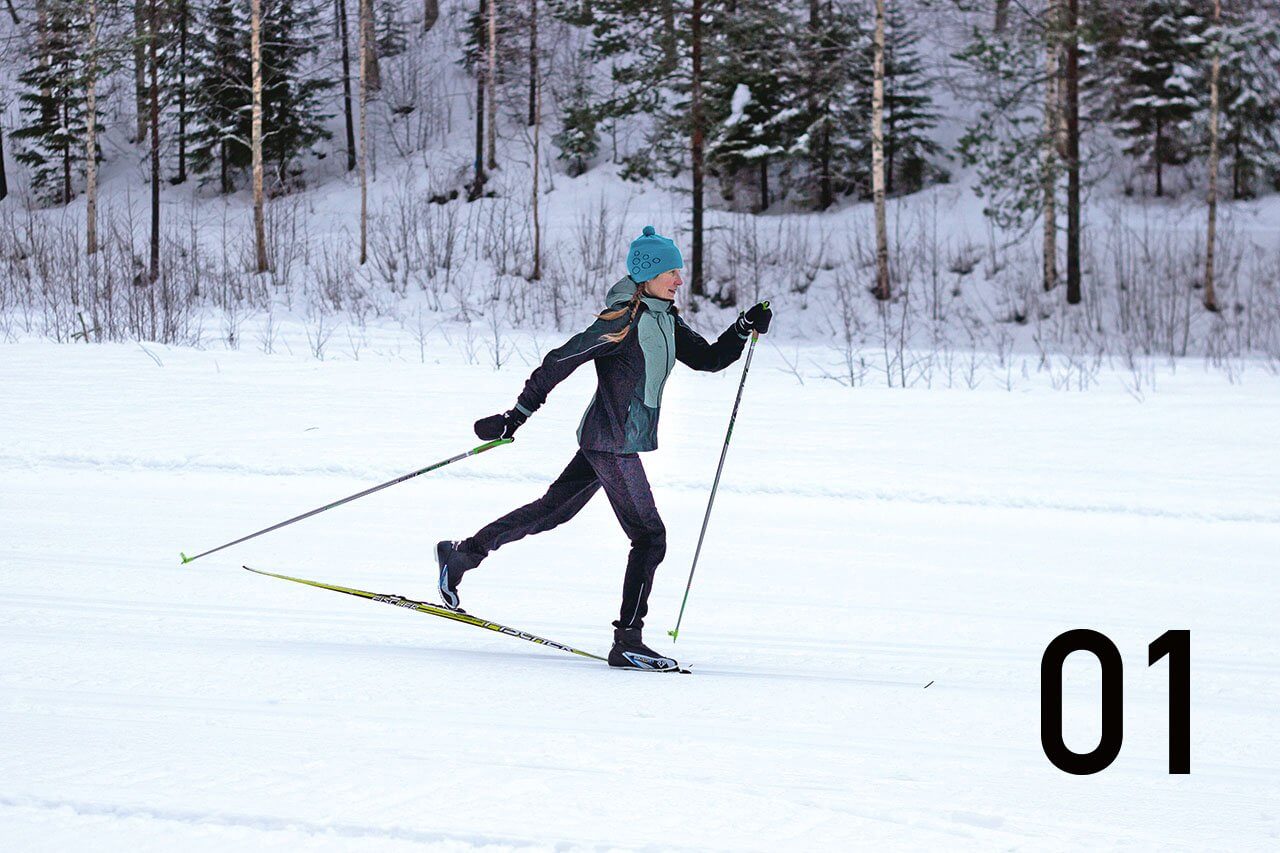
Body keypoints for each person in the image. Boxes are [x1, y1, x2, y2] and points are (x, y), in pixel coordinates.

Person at [436, 225, 772, 671]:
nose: (678, 278)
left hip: (609, 439)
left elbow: (709, 359)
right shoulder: (621, 321)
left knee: (552, 511)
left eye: (679, 270)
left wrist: (743, 327)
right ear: (647, 274)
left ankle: (462, 554)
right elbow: (560, 360)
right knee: (650, 537)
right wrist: (514, 416)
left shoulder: (665, 318)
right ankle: (628, 641)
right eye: (670, 271)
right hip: (612, 444)